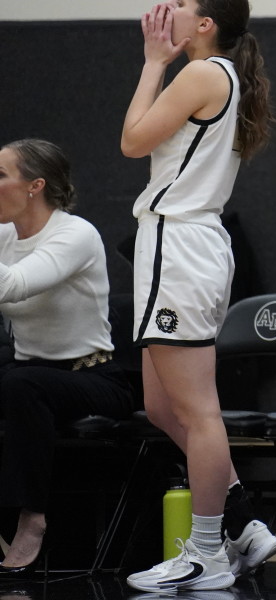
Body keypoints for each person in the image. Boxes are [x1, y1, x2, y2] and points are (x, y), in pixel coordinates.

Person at [121, 0, 276, 592]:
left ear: (206, 24)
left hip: (181, 244)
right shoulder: (218, 75)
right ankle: (240, 520)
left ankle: (208, 553)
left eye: (182, 3)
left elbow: (133, 141)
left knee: (199, 410)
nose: (169, 8)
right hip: (180, 244)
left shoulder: (202, 73)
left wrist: (152, 62)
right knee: (164, 407)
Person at [0, 139, 134, 577]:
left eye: (1, 174)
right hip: (31, 371)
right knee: (21, 381)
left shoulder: (75, 233)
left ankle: (32, 516)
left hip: (94, 378)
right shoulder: (4, 236)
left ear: (35, 186)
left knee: (22, 386)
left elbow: (14, 285)